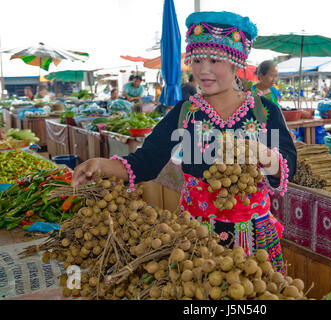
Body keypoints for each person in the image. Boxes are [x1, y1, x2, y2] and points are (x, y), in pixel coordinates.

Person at [71, 11, 297, 274]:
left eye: (215, 60)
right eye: (197, 60)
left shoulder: (263, 111)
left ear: (236, 63)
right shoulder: (185, 113)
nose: (203, 70)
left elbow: (288, 165)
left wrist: (262, 153)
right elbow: (144, 163)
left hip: (254, 238)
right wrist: (99, 165)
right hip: (194, 241)